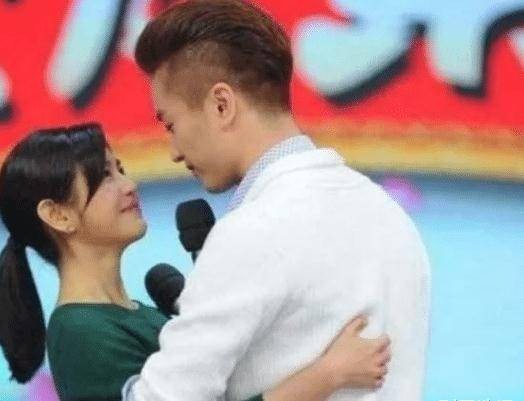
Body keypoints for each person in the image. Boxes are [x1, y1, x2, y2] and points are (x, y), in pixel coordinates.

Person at [123, 0, 431, 400]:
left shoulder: (252, 231)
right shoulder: (391, 218)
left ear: (221, 105)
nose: (174, 151)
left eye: (171, 124)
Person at [0, 124, 391, 401]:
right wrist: (329, 374)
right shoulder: (80, 332)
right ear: (57, 214)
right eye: (104, 176)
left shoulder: (139, 314)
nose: (128, 185)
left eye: (121, 169)